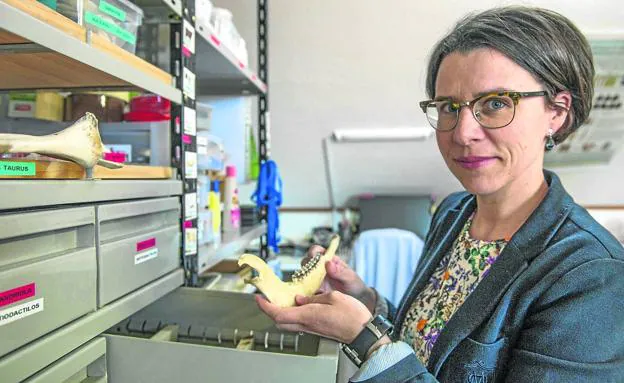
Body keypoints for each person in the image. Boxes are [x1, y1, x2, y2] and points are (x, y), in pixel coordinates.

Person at [257, 6, 624, 382]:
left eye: (495, 103)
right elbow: (430, 345)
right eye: (449, 107)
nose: (463, 133)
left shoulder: (591, 276)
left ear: (557, 112)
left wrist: (367, 341)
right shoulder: (454, 213)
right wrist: (366, 302)